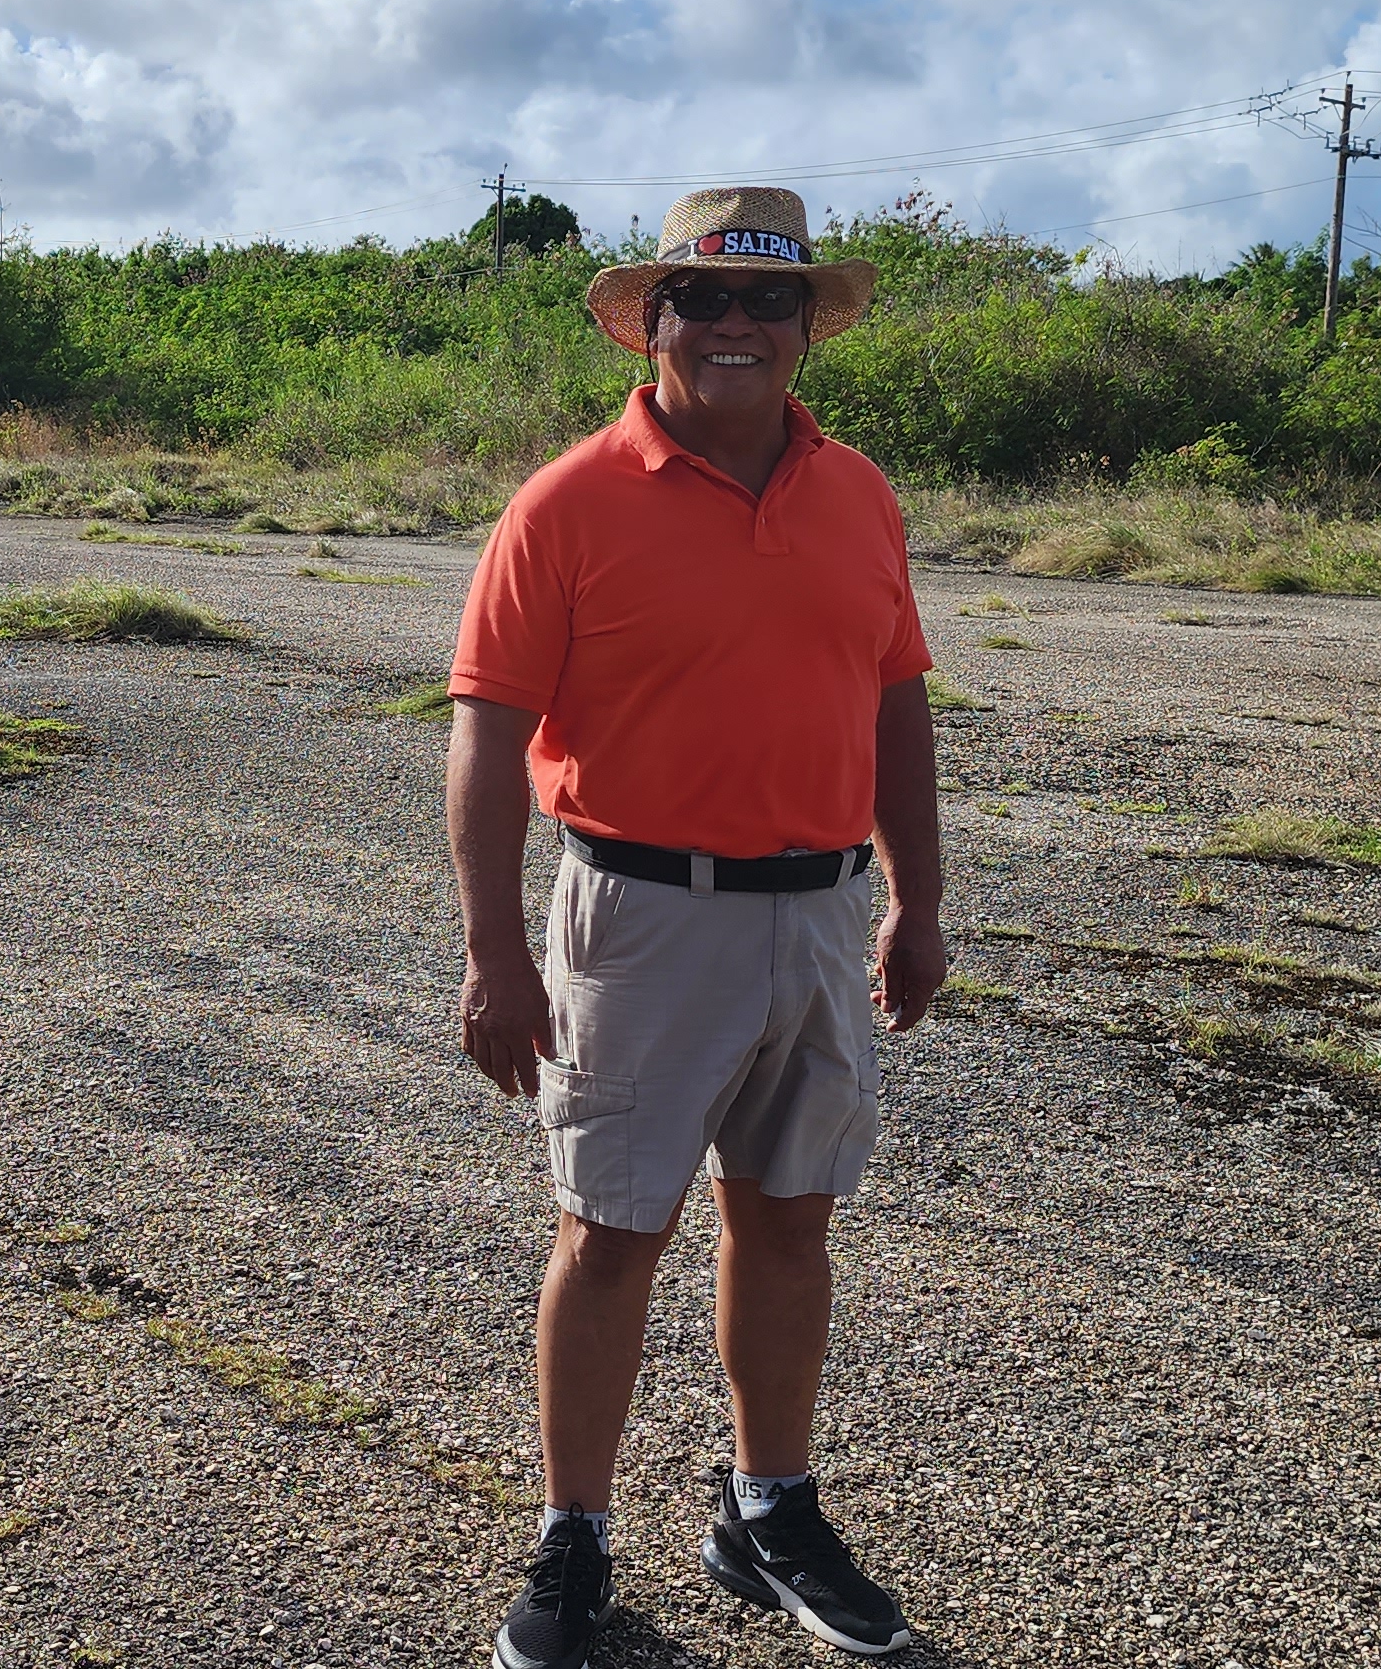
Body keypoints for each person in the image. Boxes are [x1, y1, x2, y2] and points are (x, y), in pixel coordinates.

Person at [446, 186, 947, 1668]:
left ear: (806, 327)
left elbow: (895, 700)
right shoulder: (568, 503)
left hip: (820, 914)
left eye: (768, 300)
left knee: (790, 1221)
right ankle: (573, 1537)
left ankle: (767, 1512)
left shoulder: (858, 493)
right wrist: (493, 953)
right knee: (611, 1232)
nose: (737, 326)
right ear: (652, 324)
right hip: (643, 915)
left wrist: (917, 894)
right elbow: (486, 734)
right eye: (704, 300)